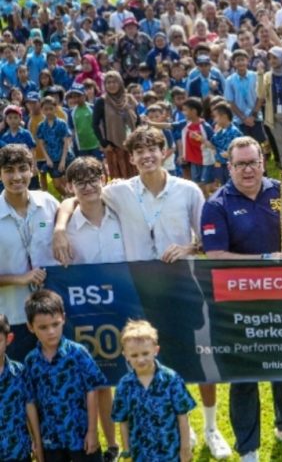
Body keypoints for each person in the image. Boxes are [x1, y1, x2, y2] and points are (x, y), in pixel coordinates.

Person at [52, 126, 232, 460]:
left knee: (198, 361)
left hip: (182, 286)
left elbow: (208, 238)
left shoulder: (188, 189)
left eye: (154, 148)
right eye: (140, 151)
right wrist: (61, 229)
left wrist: (188, 246)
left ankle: (211, 427)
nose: (147, 155)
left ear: (166, 152)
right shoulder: (118, 191)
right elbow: (73, 197)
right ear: (131, 158)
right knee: (154, 360)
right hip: (139, 292)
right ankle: (181, 425)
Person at [201, 136, 282, 460]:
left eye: (253, 162)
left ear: (263, 163)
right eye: (240, 164)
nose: (248, 170)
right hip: (240, 305)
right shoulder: (217, 203)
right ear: (229, 167)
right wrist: (266, 259)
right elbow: (216, 254)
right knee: (244, 377)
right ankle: (248, 446)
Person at [63, 157, 125, 461]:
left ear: (105, 179)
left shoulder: (122, 216)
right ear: (69, 187)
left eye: (93, 179)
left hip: (126, 307)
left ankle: (130, 440)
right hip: (88, 316)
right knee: (100, 381)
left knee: (130, 375)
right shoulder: (67, 229)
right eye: (80, 182)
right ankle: (111, 444)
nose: (88, 186)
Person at [24, 289, 106, 462]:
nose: (51, 331)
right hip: (50, 441)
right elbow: (30, 402)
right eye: (43, 327)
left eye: (55, 324)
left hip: (80, 438)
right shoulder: (31, 361)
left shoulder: (78, 353)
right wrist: (37, 442)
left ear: (64, 319)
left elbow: (92, 390)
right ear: (30, 327)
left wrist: (92, 432)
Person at [0, 144, 58, 361]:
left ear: (32, 170)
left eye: (23, 168)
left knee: (58, 383)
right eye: (9, 170)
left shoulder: (48, 202)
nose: (17, 177)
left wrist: (60, 229)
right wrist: (20, 278)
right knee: (20, 385)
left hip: (52, 314)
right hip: (13, 315)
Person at [112, 319, 195, 462]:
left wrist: (185, 447)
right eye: (134, 355)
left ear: (155, 350)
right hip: (140, 454)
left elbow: (182, 416)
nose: (141, 359)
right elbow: (123, 421)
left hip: (170, 453)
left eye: (145, 353)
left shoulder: (171, 379)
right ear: (125, 355)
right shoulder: (124, 386)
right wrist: (127, 451)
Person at [0, 312, 44, 462]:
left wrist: (37, 441)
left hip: (18, 452)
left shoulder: (20, 372)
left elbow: (30, 406)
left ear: (8, 339)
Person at [91, 71, 139, 179]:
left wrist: (137, 139)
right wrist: (104, 143)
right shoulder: (101, 102)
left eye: (114, 82)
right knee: (119, 178)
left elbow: (138, 121)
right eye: (108, 82)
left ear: (120, 83)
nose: (111, 85)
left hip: (132, 145)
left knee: (135, 176)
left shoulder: (129, 99)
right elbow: (95, 124)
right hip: (113, 147)